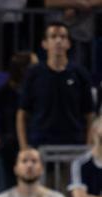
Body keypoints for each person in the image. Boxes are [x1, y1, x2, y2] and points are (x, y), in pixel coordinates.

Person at [17, 21, 94, 150]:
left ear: (69, 43)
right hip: (40, 143)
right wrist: (24, 148)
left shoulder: (80, 73)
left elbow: (89, 114)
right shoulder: (33, 73)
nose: (58, 41)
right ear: (44, 44)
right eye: (53, 37)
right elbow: (22, 113)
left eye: (63, 37)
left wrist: (88, 145)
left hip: (73, 143)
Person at [0, 51, 37, 192]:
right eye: (34, 66)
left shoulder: (36, 92)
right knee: (6, 191)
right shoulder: (5, 92)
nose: (38, 69)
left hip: (32, 146)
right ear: (23, 69)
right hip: (8, 148)